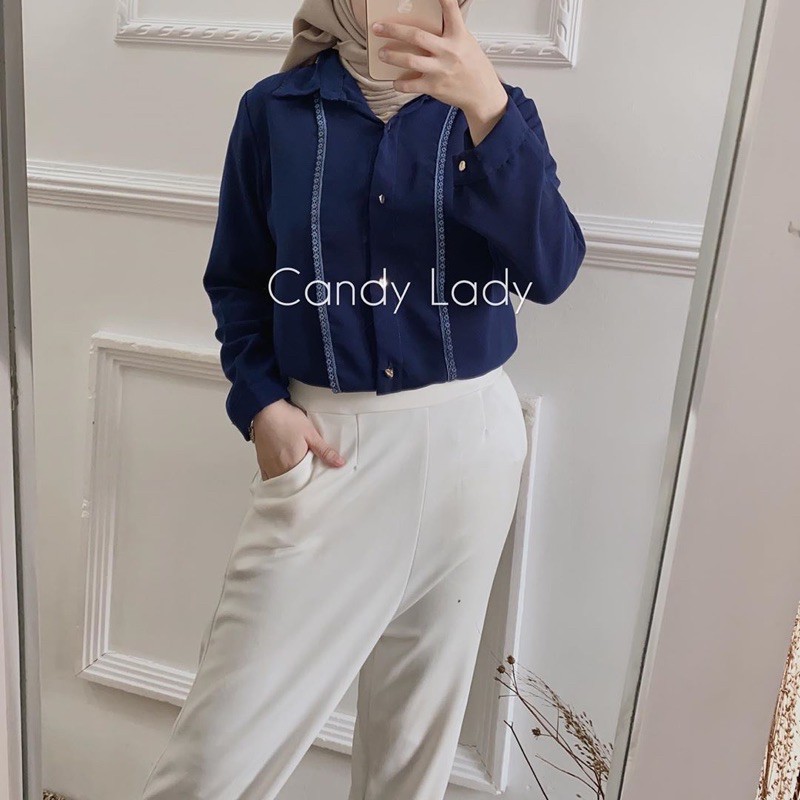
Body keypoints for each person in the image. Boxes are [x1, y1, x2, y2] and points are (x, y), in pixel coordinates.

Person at [140, 0, 586, 798]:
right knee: (209, 766)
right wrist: (262, 407)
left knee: (411, 755)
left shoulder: (496, 111)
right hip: (327, 453)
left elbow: (551, 269)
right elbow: (238, 280)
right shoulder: (275, 112)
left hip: (472, 444)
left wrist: (485, 109)